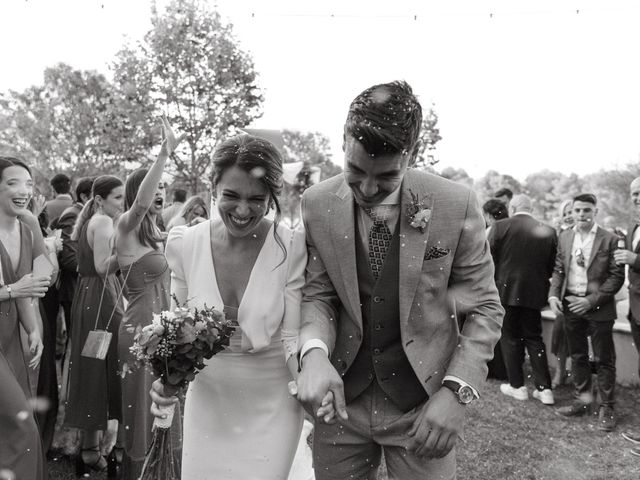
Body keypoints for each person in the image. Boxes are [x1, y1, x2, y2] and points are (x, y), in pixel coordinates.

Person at [295, 81, 504, 479]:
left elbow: (484, 308)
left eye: (386, 176)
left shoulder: (453, 204)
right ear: (342, 141)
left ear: (411, 154)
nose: (368, 189)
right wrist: (315, 353)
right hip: (339, 403)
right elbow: (318, 294)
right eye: (355, 171)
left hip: (423, 406)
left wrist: (456, 393)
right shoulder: (316, 203)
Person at [148, 133, 307, 479]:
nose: (243, 210)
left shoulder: (291, 247)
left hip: (273, 397)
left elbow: (293, 336)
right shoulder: (185, 244)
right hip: (210, 395)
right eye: (231, 196)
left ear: (272, 198)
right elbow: (179, 324)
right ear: (214, 186)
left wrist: (305, 387)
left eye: (257, 199)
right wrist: (167, 377)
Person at [115, 117, 182, 479]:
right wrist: (163, 154)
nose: (159, 193)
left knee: (164, 408)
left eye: (163, 189)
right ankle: (135, 472)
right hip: (139, 331)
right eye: (154, 188)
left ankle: (161, 471)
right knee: (141, 411)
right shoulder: (125, 227)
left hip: (164, 328)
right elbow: (140, 205)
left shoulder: (157, 231)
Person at [64, 175, 125, 476]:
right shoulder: (102, 223)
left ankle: (90, 447)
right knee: (102, 366)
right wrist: (128, 252)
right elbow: (103, 267)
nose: (122, 202)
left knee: (94, 368)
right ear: (100, 199)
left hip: (91, 296)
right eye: (117, 197)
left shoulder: (95, 220)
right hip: (99, 297)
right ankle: (92, 450)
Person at [549, 193, 624, 431]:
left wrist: (591, 301)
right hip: (571, 305)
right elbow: (559, 269)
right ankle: (582, 401)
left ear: (595, 211)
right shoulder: (565, 235)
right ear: (572, 211)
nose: (581, 214)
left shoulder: (610, 239)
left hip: (598, 308)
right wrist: (553, 294)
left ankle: (607, 408)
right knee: (578, 355)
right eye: (577, 210)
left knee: (604, 359)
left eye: (586, 210)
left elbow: (616, 277)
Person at [0, 156, 51, 480]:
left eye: (28, 184)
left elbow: (26, 290)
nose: (23, 191)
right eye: (13, 183)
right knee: (23, 427)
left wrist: (34, 330)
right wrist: (13, 290)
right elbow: (17, 288)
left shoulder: (27, 230)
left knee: (7, 426)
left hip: (9, 341)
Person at [488, 194, 557, 405]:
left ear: (513, 206)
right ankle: (544, 389)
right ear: (531, 207)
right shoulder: (548, 230)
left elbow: (489, 258)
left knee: (509, 338)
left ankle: (517, 386)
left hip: (506, 290)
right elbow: (551, 264)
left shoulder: (500, 227)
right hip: (535, 292)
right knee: (534, 338)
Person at [614, 176, 640, 454]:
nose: (637, 198)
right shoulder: (633, 225)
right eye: (634, 193)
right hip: (636, 311)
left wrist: (636, 261)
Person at [550, 199, 574, 388]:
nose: (569, 216)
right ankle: (560, 371)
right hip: (564, 294)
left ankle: (577, 372)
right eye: (565, 213)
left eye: (571, 211)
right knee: (560, 334)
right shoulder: (562, 236)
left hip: (585, 295)